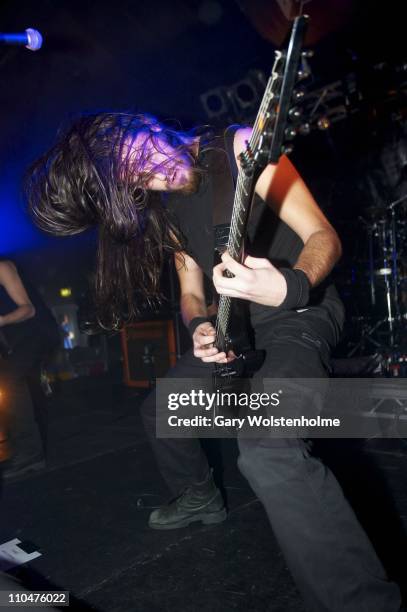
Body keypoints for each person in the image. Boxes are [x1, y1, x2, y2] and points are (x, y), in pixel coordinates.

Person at [25, 113, 403, 612]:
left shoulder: (242, 147)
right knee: (162, 409)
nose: (151, 174)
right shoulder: (166, 213)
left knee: (268, 448)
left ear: (143, 124)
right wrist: (200, 328)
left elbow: (324, 237)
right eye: (134, 180)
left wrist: (288, 285)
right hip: (236, 330)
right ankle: (199, 495)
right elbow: (190, 293)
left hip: (298, 314)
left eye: (140, 157)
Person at [0, 259, 60, 477]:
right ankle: (25, 450)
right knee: (11, 381)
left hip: (39, 332)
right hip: (18, 340)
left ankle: (31, 455)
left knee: (8, 379)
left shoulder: (2, 268)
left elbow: (28, 309)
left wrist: (2, 320)